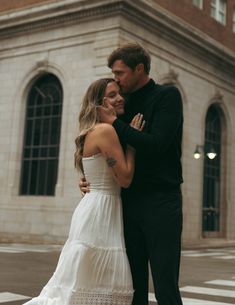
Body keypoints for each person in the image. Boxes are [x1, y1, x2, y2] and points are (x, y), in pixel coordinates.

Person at [23, 78, 144, 305]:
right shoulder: (107, 131)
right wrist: (133, 143)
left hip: (96, 208)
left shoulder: (95, 130)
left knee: (86, 282)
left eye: (119, 93)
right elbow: (125, 178)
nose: (119, 98)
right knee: (92, 283)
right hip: (101, 211)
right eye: (111, 95)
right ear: (99, 104)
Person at [80, 43, 184, 305]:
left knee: (165, 283)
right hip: (126, 202)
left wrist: (115, 123)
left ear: (139, 69)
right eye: (113, 74)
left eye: (121, 73)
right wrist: (90, 179)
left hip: (161, 200)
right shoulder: (121, 103)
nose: (116, 80)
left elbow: (157, 145)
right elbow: (106, 151)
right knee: (132, 286)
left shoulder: (167, 97)